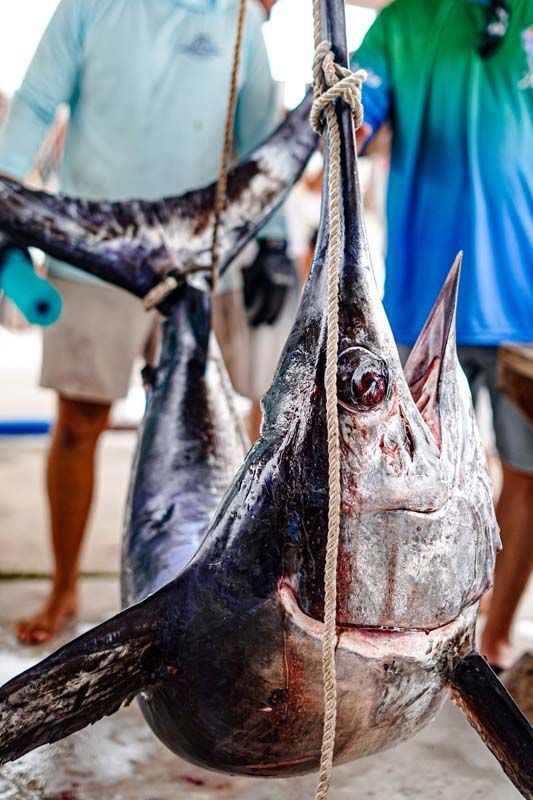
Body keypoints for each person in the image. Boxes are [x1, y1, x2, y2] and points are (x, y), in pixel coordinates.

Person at [0, 0, 296, 644]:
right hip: (95, 259)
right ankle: (65, 588)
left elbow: (259, 136)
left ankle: (219, 592)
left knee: (224, 424)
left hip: (206, 259)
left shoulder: (240, 14)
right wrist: (5, 198)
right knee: (80, 421)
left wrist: (274, 239)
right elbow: (36, 100)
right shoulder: (85, 8)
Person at [352, 0, 533, 669]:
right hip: (423, 307)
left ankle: (493, 634)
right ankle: (420, 629)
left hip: (526, 304)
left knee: (526, 472)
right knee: (406, 483)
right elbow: (357, 111)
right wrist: (345, 119)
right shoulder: (402, 21)